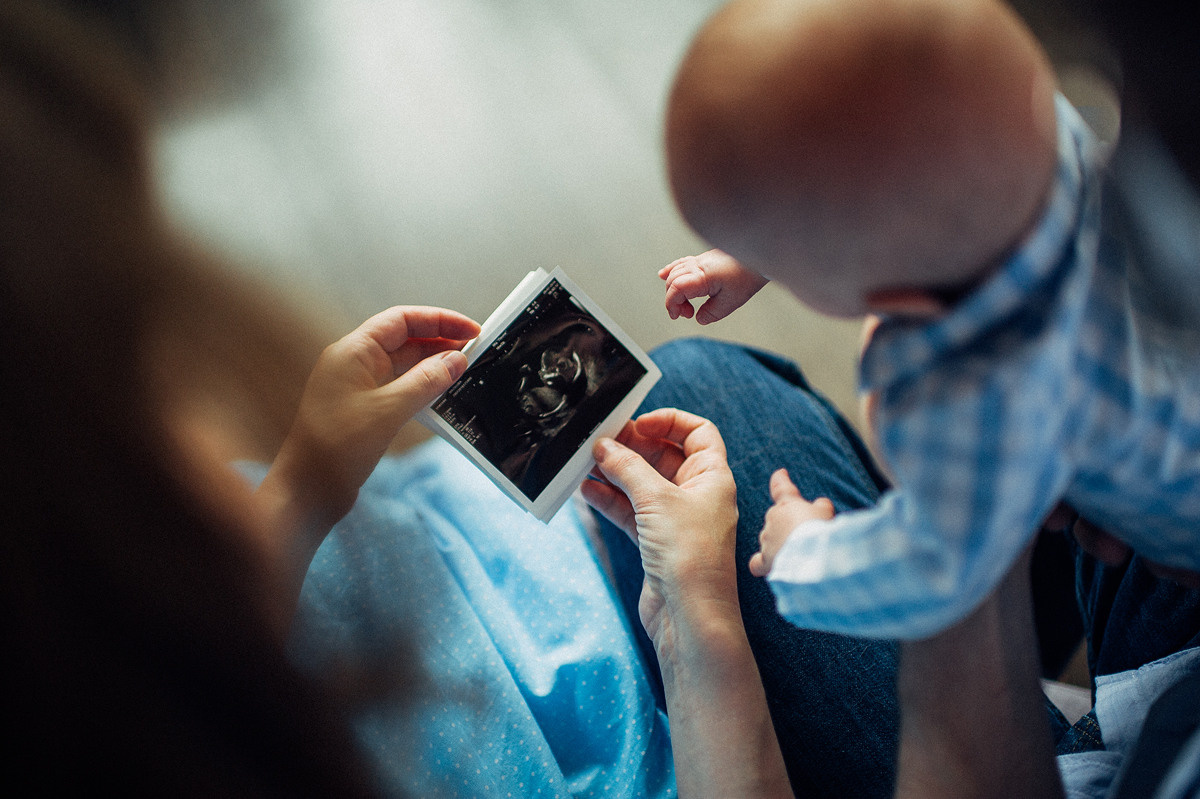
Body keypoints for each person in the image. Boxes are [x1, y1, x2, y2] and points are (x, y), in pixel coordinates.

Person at [2, 1, 902, 795]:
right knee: (719, 394)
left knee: (706, 393)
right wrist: (697, 619)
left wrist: (301, 486)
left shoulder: (132, 628)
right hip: (678, 679)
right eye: (151, 370)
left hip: (572, 566)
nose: (206, 409)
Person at [657, 0, 1200, 641]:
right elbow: (893, 171)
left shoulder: (971, 397)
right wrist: (768, 249)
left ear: (902, 300)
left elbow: (932, 571)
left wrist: (802, 554)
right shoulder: (1063, 133)